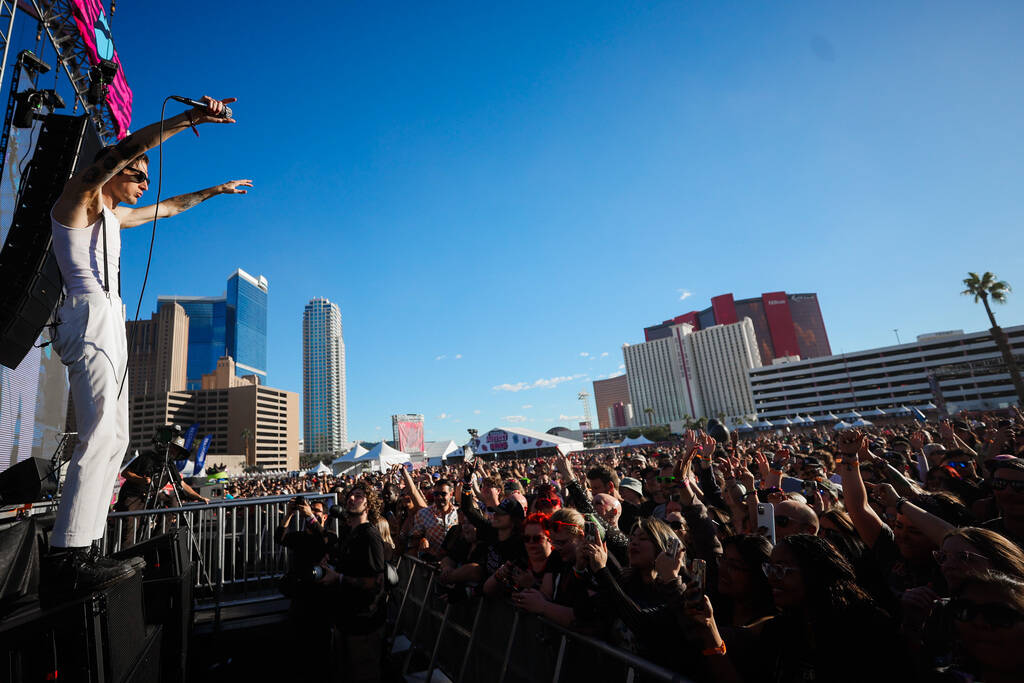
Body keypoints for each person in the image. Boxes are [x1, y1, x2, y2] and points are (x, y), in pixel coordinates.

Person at [43, 95, 250, 600]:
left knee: (117, 440)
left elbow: (170, 209)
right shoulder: (77, 199)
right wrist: (187, 119)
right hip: (88, 312)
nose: (143, 185)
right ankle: (64, 559)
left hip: (110, 317)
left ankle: (88, 546)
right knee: (96, 435)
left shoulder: (115, 217)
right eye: (137, 175)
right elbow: (128, 147)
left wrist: (215, 191)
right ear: (112, 170)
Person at [319, 483, 387, 683]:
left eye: (358, 496)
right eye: (350, 495)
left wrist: (337, 578)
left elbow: (376, 582)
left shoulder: (370, 535)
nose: (351, 498)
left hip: (364, 624)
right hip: (345, 618)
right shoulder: (350, 533)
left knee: (364, 674)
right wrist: (330, 564)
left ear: (368, 504)